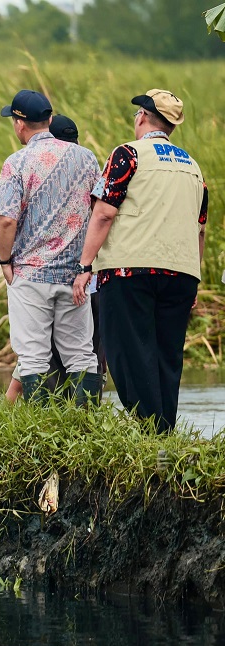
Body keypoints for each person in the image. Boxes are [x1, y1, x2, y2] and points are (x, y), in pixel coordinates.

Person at [73, 89, 208, 433]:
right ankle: (164, 435)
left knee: (127, 353)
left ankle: (152, 434)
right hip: (182, 274)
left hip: (129, 270)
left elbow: (104, 212)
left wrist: (85, 265)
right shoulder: (193, 167)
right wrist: (195, 277)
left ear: (143, 117)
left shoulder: (128, 154)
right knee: (167, 357)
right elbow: (200, 229)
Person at [0, 90, 102, 405]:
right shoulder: (87, 158)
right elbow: (99, 210)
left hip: (30, 274)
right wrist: (87, 264)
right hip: (75, 275)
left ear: (19, 123)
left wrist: (4, 261)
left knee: (33, 355)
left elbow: (6, 221)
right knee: (81, 352)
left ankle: (39, 423)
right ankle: (86, 422)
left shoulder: (16, 162)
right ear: (50, 119)